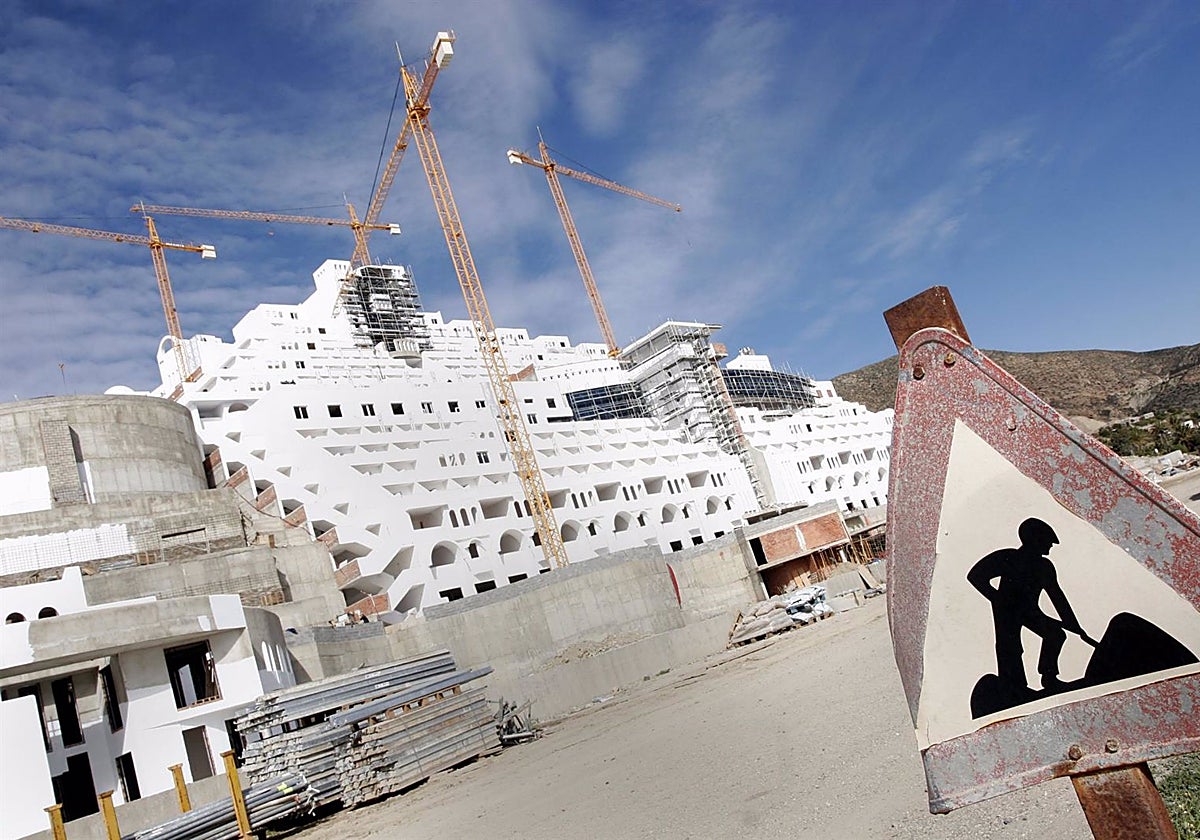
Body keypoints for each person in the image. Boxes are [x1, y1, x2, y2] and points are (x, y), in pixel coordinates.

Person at [967, 518, 1097, 692]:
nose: (1050, 548)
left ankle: (1049, 678)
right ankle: (1013, 685)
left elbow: (1057, 598)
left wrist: (1074, 626)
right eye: (1048, 543)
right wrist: (997, 599)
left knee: (1055, 634)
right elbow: (975, 576)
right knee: (1009, 645)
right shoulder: (1009, 557)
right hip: (1007, 611)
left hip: (1030, 611)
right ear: (1035, 540)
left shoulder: (1044, 566)